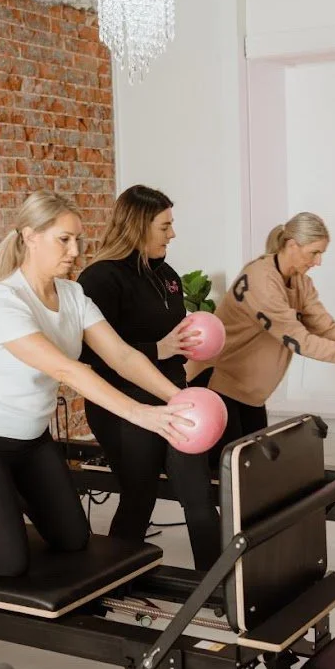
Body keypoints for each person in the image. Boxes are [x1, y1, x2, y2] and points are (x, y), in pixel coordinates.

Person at [0, 189, 196, 576]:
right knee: (6, 563)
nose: (75, 250)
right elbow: (69, 371)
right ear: (30, 237)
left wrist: (178, 398)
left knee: (73, 539)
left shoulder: (73, 294)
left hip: (33, 442)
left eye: (78, 240)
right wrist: (144, 415)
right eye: (64, 239)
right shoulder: (5, 303)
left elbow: (121, 356)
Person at [78, 185, 221, 571]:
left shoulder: (168, 275)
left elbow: (171, 336)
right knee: (139, 497)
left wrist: (187, 346)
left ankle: (222, 590)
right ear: (139, 226)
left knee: (199, 496)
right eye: (164, 226)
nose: (172, 234)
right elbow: (84, 351)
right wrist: (157, 348)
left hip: (175, 397)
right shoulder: (99, 279)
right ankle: (110, 585)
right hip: (124, 405)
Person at [187, 212, 335, 461]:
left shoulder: (300, 283)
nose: (319, 261)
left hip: (249, 393)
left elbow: (324, 325)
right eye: (314, 252)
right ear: (292, 245)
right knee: (230, 478)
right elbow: (300, 340)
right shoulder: (261, 280)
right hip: (218, 384)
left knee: (253, 476)